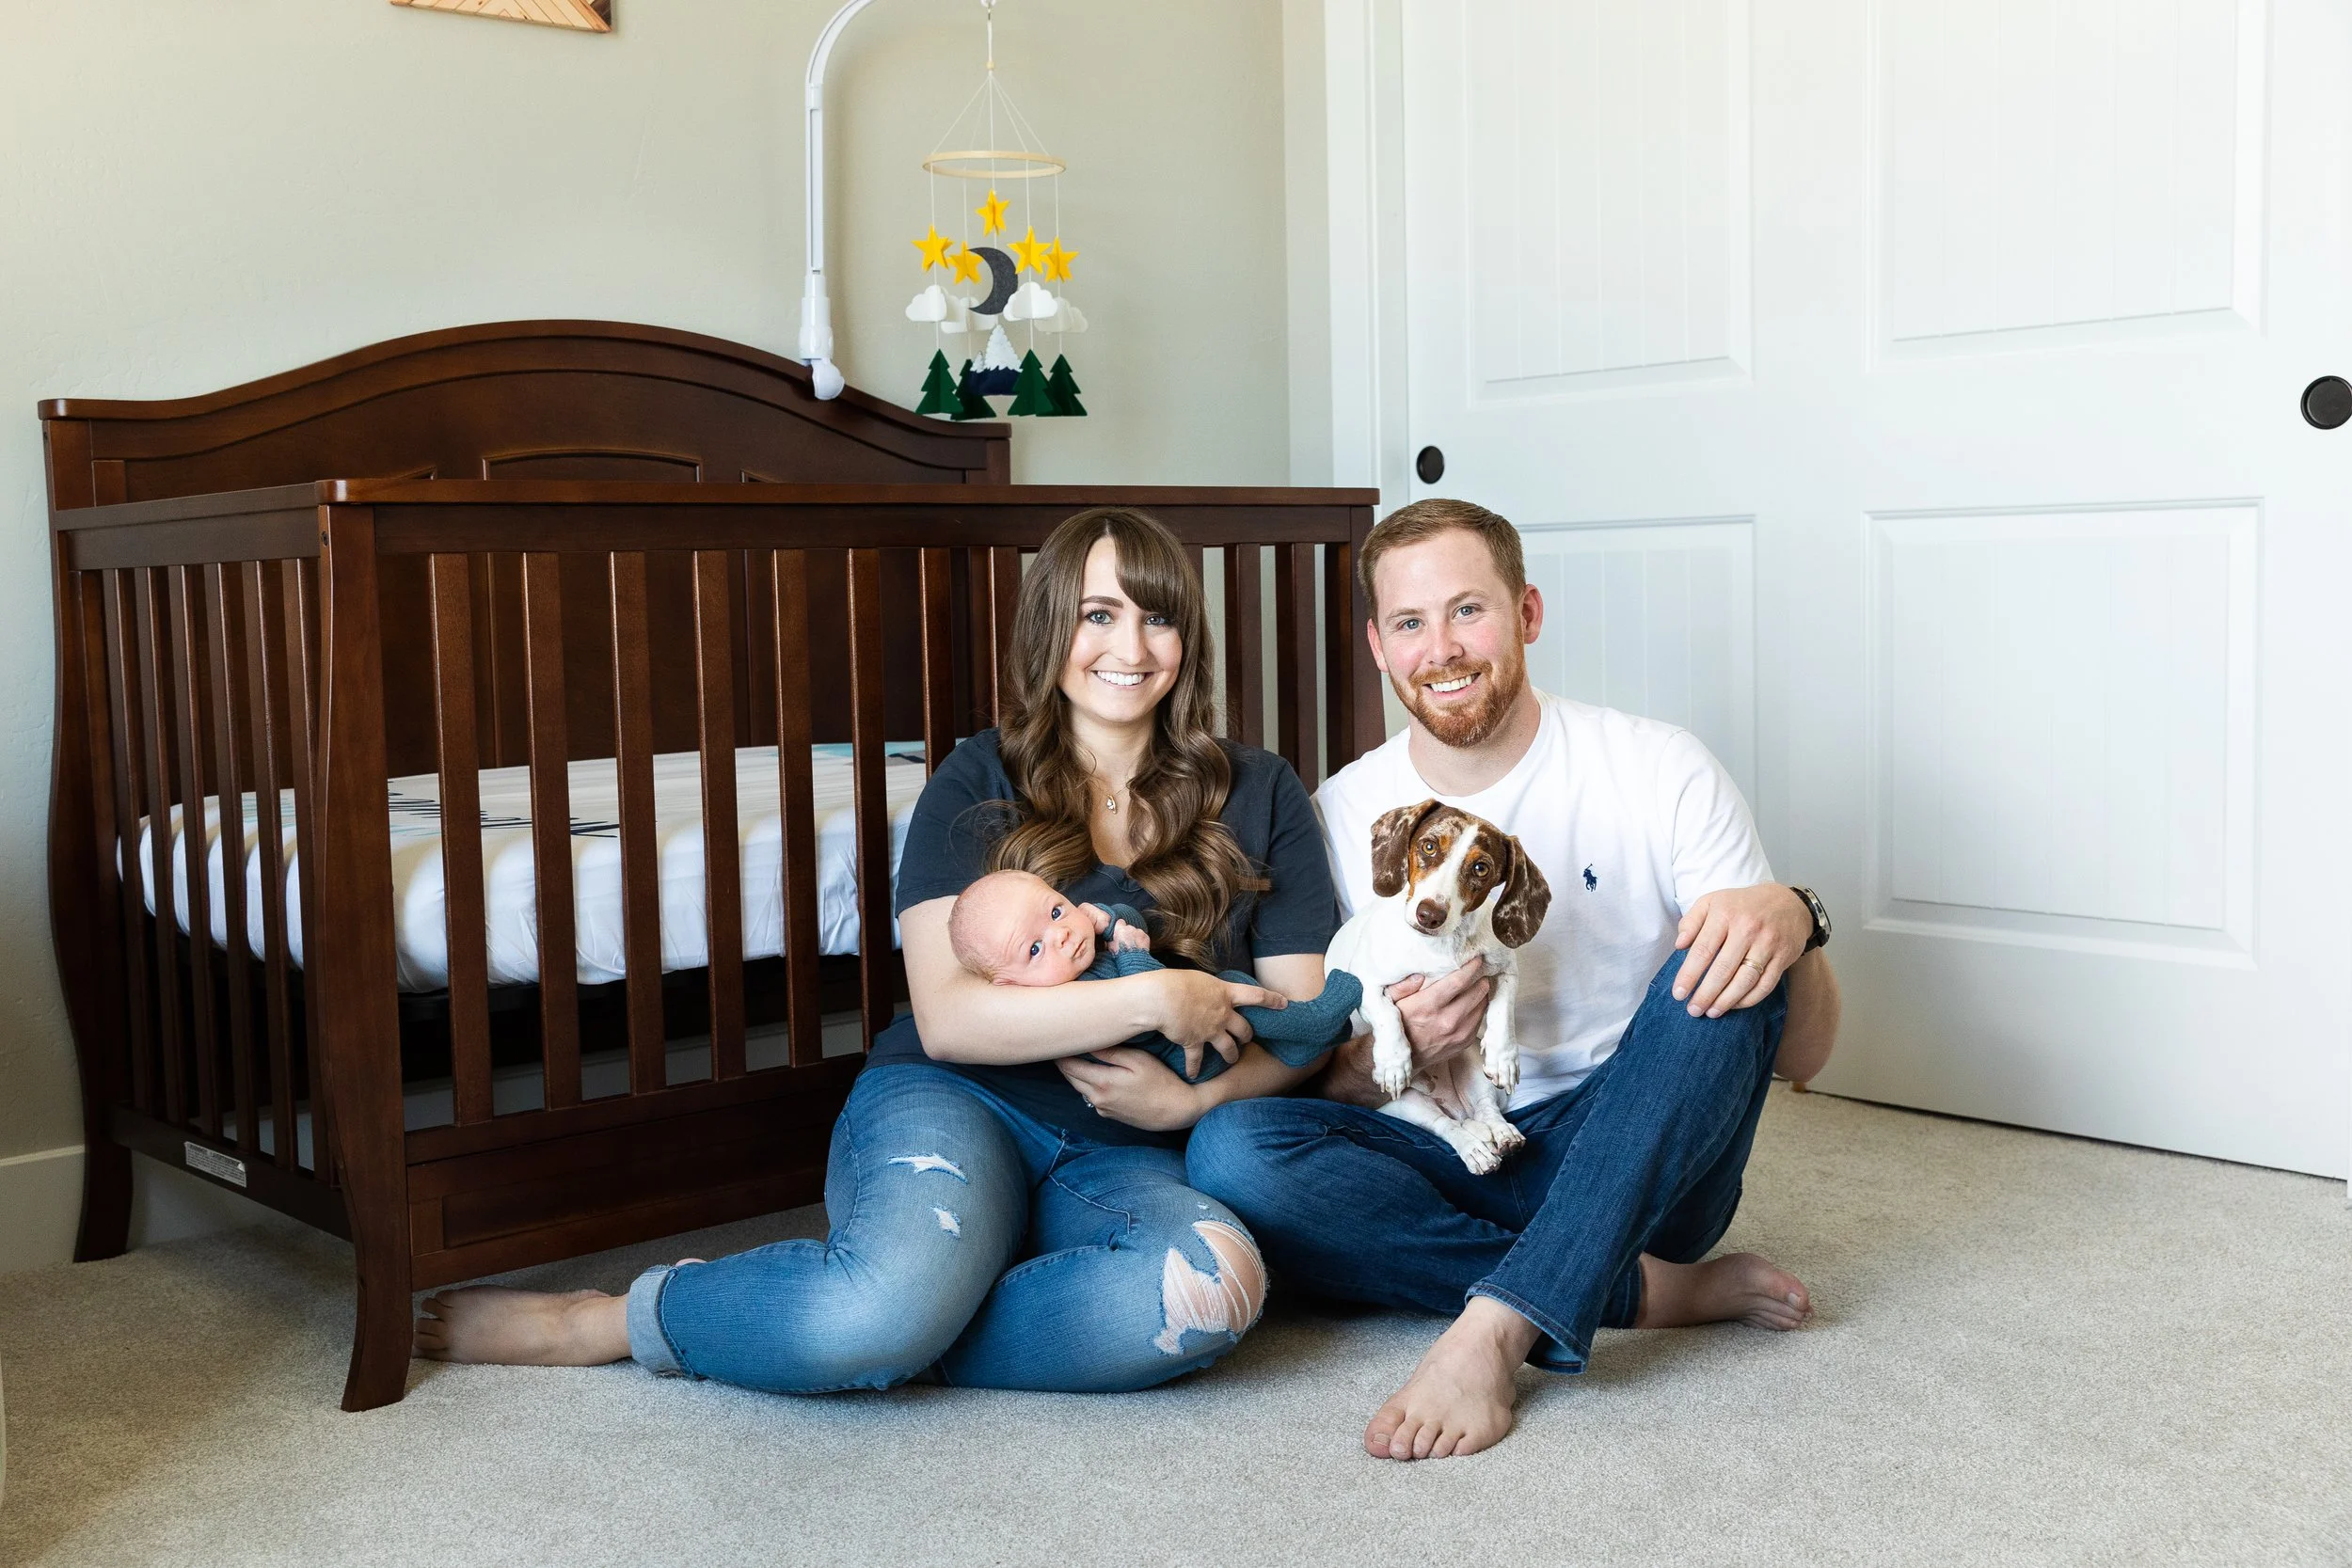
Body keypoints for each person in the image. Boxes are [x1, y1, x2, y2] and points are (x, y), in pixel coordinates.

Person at [413, 507, 1341, 1393]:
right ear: (1053, 625)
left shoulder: (1260, 788)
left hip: (1132, 1148)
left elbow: (1302, 1021)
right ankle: (620, 1318)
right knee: (881, 1305)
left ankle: (900, 1328)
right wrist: (1151, 999)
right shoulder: (976, 776)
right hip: (958, 1099)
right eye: (1099, 614)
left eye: (1158, 618)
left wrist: (1194, 1096)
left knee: (1213, 1288)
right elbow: (950, 1018)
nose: (1130, 649)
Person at [1186, 498, 1844, 1460]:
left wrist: (1797, 921)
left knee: (1718, 965)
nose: (1441, 648)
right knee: (1231, 1153)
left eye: (1468, 611)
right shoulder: (1340, 811)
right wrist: (1399, 1056)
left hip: (1634, 1150)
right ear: (1377, 643)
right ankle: (1639, 1288)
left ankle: (1499, 1324)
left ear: (1528, 612)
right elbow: (1315, 1068)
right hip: (1450, 1147)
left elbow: (1801, 1050)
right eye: (1410, 623)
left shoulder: (1657, 767)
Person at [945, 866, 1363, 1080]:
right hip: (1179, 1059)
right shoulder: (1068, 1001)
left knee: (1235, 988)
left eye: (1056, 910)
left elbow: (1135, 926)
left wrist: (1111, 922)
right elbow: (1144, 1020)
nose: (1061, 934)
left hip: (1193, 1036)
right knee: (1233, 989)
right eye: (1034, 949)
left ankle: (1294, 1045)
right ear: (1010, 985)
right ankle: (1316, 1022)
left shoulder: (1076, 951)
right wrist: (1129, 953)